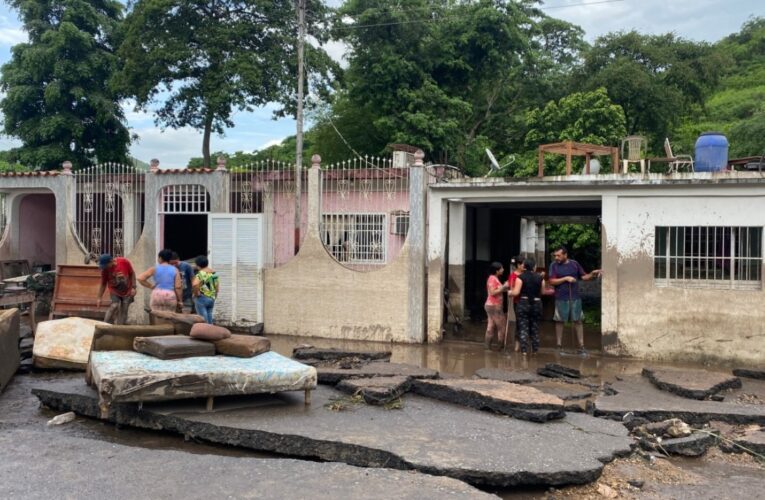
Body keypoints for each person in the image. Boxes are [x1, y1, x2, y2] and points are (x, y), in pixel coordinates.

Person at [547, 246, 601, 355]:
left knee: (578, 320)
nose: (556, 257)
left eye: (558, 255)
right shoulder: (553, 265)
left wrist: (592, 274)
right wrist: (565, 278)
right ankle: (559, 346)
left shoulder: (574, 264)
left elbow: (584, 277)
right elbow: (551, 281)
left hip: (575, 297)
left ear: (565, 255)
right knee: (559, 321)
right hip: (561, 297)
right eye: (555, 255)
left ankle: (581, 346)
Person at [509, 258, 545, 355]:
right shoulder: (540, 278)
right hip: (537, 304)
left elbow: (516, 292)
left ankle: (524, 351)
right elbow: (543, 292)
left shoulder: (520, 278)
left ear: (524, 267)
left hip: (523, 303)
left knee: (523, 327)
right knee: (535, 327)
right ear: (534, 267)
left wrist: (510, 292)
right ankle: (535, 351)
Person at [138, 249, 182, 313]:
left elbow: (140, 278)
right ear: (169, 259)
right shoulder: (175, 270)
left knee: (157, 317)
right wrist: (180, 301)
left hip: (157, 294)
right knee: (170, 317)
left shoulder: (154, 269)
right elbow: (178, 287)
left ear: (160, 258)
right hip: (169, 295)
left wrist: (151, 286)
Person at [96, 254, 136, 324]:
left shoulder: (124, 262)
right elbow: (103, 284)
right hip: (114, 289)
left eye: (105, 265)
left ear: (111, 261)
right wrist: (99, 298)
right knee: (114, 305)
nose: (104, 268)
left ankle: (120, 328)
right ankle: (104, 325)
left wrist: (134, 287)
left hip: (127, 289)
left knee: (124, 309)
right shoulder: (104, 270)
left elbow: (132, 273)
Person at [484, 261, 509, 350]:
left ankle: (487, 347)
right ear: (496, 270)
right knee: (501, 326)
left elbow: (499, 290)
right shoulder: (492, 279)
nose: (503, 270)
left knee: (491, 326)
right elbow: (492, 292)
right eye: (501, 268)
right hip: (494, 305)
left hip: (491, 305)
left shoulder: (494, 278)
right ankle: (500, 347)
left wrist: (505, 287)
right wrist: (504, 286)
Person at [192, 255, 219, 324]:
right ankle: (211, 332)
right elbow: (217, 287)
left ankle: (205, 333)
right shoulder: (214, 273)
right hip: (211, 298)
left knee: (203, 319)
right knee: (209, 317)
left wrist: (196, 294)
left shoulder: (201, 273)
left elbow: (195, 284)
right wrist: (214, 296)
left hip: (202, 298)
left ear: (198, 265)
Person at [507, 256, 524, 352]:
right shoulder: (513, 276)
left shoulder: (526, 274)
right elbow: (511, 288)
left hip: (527, 301)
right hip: (517, 301)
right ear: (518, 265)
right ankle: (517, 344)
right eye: (522, 264)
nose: (524, 266)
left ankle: (525, 344)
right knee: (518, 323)